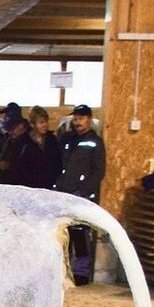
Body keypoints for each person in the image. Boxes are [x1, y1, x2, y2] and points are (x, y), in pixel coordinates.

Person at [55, 104, 106, 285]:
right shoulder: (66, 139)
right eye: (76, 118)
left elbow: (98, 171)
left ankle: (81, 273)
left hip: (80, 195)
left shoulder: (95, 143)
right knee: (60, 233)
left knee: (80, 234)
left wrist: (84, 190)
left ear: (89, 120)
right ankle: (59, 270)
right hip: (61, 192)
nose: (78, 122)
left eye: (82, 119)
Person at [29, 105, 62, 188]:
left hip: (49, 186)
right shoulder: (25, 142)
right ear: (33, 124)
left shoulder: (53, 140)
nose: (45, 125)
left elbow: (58, 162)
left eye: (46, 122)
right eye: (41, 122)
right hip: (31, 187)